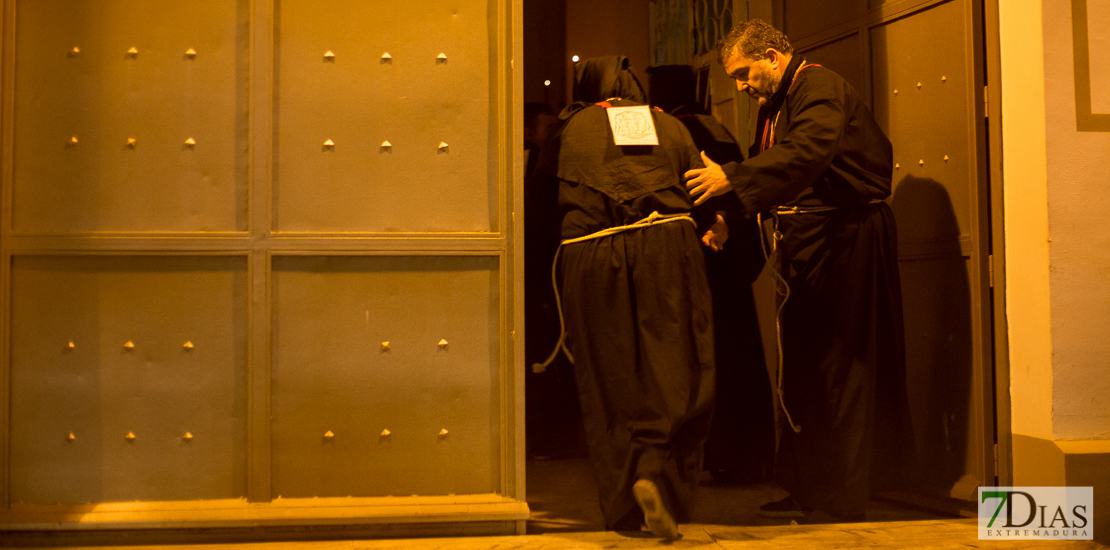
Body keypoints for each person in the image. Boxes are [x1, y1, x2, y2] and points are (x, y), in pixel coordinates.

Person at [685, 20, 913, 522]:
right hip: (811, 243)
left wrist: (734, 177)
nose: (741, 87)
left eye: (744, 74)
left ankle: (839, 495)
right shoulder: (776, 104)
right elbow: (775, 172)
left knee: (838, 371)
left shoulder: (819, 86)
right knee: (803, 370)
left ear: (771, 56)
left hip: (847, 239)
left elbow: (807, 153)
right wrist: (730, 220)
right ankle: (806, 486)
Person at [534, 55, 716, 539]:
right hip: (667, 250)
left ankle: (624, 503)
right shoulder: (670, 126)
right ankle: (653, 473)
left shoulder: (567, 131)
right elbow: (705, 192)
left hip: (590, 254)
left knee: (609, 379)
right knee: (680, 367)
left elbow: (536, 202)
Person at [647, 64, 775, 484]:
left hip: (702, 252)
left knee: (706, 355)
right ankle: (749, 453)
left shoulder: (676, 132)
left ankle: (715, 453)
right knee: (741, 352)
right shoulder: (716, 128)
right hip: (731, 251)